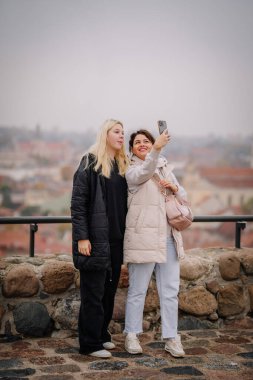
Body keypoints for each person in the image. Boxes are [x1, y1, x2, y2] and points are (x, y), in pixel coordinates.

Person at [123, 128, 187, 357]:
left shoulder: (164, 167)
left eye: (146, 141)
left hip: (168, 237)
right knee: (138, 290)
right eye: (137, 142)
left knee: (170, 291)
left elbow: (184, 196)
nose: (142, 144)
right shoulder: (130, 170)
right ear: (131, 149)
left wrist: (175, 188)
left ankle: (172, 338)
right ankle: (131, 334)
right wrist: (157, 148)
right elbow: (144, 172)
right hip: (143, 237)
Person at [71, 119, 128, 358]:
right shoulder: (90, 162)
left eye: (123, 132)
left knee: (108, 291)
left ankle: (102, 335)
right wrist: (82, 237)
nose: (121, 135)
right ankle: (89, 343)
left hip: (116, 239)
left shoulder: (121, 164)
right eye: (117, 131)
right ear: (105, 134)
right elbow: (78, 204)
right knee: (92, 292)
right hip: (95, 240)